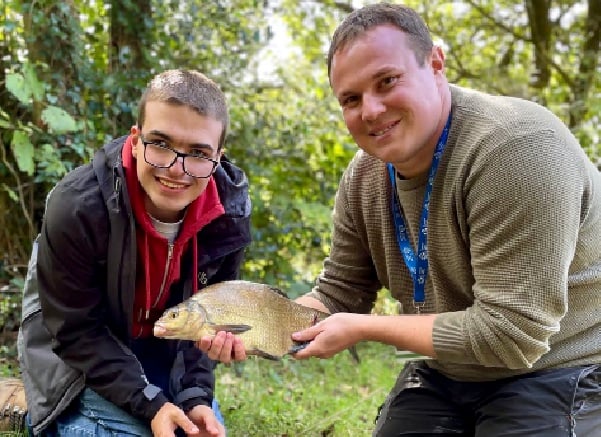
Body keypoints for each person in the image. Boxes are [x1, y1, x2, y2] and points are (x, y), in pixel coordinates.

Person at [199, 3, 601, 436]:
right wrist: (263, 328)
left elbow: (512, 335)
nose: (370, 110)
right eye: (351, 99)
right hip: (447, 373)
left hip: (560, 366)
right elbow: (341, 292)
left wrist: (365, 329)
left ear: (435, 64)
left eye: (387, 82)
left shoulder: (518, 150)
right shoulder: (366, 174)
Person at [18, 69, 251, 436]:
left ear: (218, 158)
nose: (177, 169)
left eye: (198, 154)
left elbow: (205, 321)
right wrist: (151, 405)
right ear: (136, 139)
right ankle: (27, 405)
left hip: (159, 341)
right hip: (74, 345)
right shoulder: (77, 206)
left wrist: (197, 398)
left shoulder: (229, 214)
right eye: (160, 143)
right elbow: (75, 333)